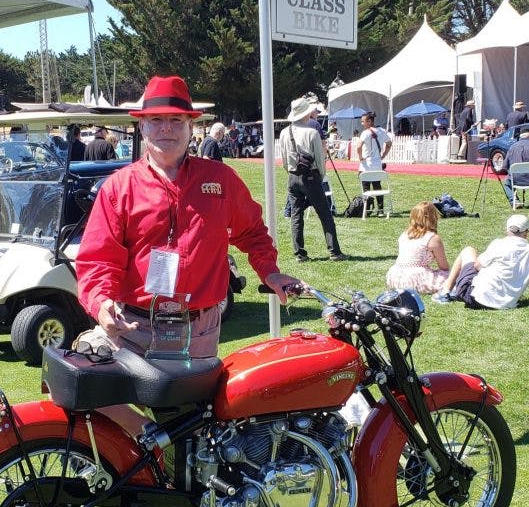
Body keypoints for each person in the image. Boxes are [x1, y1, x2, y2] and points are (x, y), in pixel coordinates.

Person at [77, 74, 299, 361]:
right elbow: (98, 259)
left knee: (199, 405)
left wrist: (269, 271)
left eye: (176, 120)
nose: (166, 129)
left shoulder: (221, 180)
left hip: (201, 330)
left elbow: (252, 231)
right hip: (134, 329)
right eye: (156, 120)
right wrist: (100, 302)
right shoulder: (119, 188)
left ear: (191, 126)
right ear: (142, 126)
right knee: (131, 404)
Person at [279, 95, 346, 262]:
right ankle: (334, 251)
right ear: (305, 114)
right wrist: (320, 176)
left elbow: (285, 161)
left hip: (293, 176)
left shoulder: (284, 133)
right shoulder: (312, 133)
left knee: (296, 215)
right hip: (311, 176)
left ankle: (299, 253)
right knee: (325, 214)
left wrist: (292, 172)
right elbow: (320, 159)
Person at [433, 213, 529, 309]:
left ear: (507, 230)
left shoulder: (499, 244)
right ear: (526, 232)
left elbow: (477, 266)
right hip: (506, 304)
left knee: (468, 250)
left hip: (475, 298)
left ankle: (445, 292)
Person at [386, 202, 449, 295]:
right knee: (451, 275)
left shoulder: (405, 234)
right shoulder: (432, 238)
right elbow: (444, 267)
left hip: (396, 276)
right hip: (416, 278)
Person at [356, 111, 392, 214]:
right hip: (377, 163)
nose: (362, 123)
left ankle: (366, 209)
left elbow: (358, 146)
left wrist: (360, 157)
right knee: (377, 187)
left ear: (369, 121)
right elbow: (389, 143)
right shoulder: (381, 131)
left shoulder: (365, 133)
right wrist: (384, 154)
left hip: (366, 164)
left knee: (366, 187)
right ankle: (380, 210)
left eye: (363, 121)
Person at [501, 130, 529, 206]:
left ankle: (514, 200)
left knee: (507, 183)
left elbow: (505, 166)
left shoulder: (512, 147)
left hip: (516, 179)